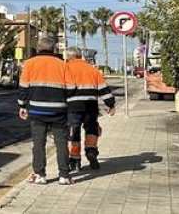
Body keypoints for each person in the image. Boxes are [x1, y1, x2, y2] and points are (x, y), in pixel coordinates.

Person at [17, 36, 73, 185]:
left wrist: (22, 106)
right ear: (53, 49)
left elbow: (23, 87)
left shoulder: (29, 63)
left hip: (37, 110)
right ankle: (64, 176)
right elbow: (71, 88)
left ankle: (40, 175)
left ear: (38, 48)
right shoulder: (62, 64)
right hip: (59, 111)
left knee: (38, 143)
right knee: (61, 142)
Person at [64, 47, 116, 171]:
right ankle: (91, 150)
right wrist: (110, 104)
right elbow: (103, 89)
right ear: (79, 56)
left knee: (73, 132)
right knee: (92, 129)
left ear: (68, 57)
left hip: (73, 107)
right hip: (91, 106)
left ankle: (74, 160)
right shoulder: (92, 70)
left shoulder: (65, 69)